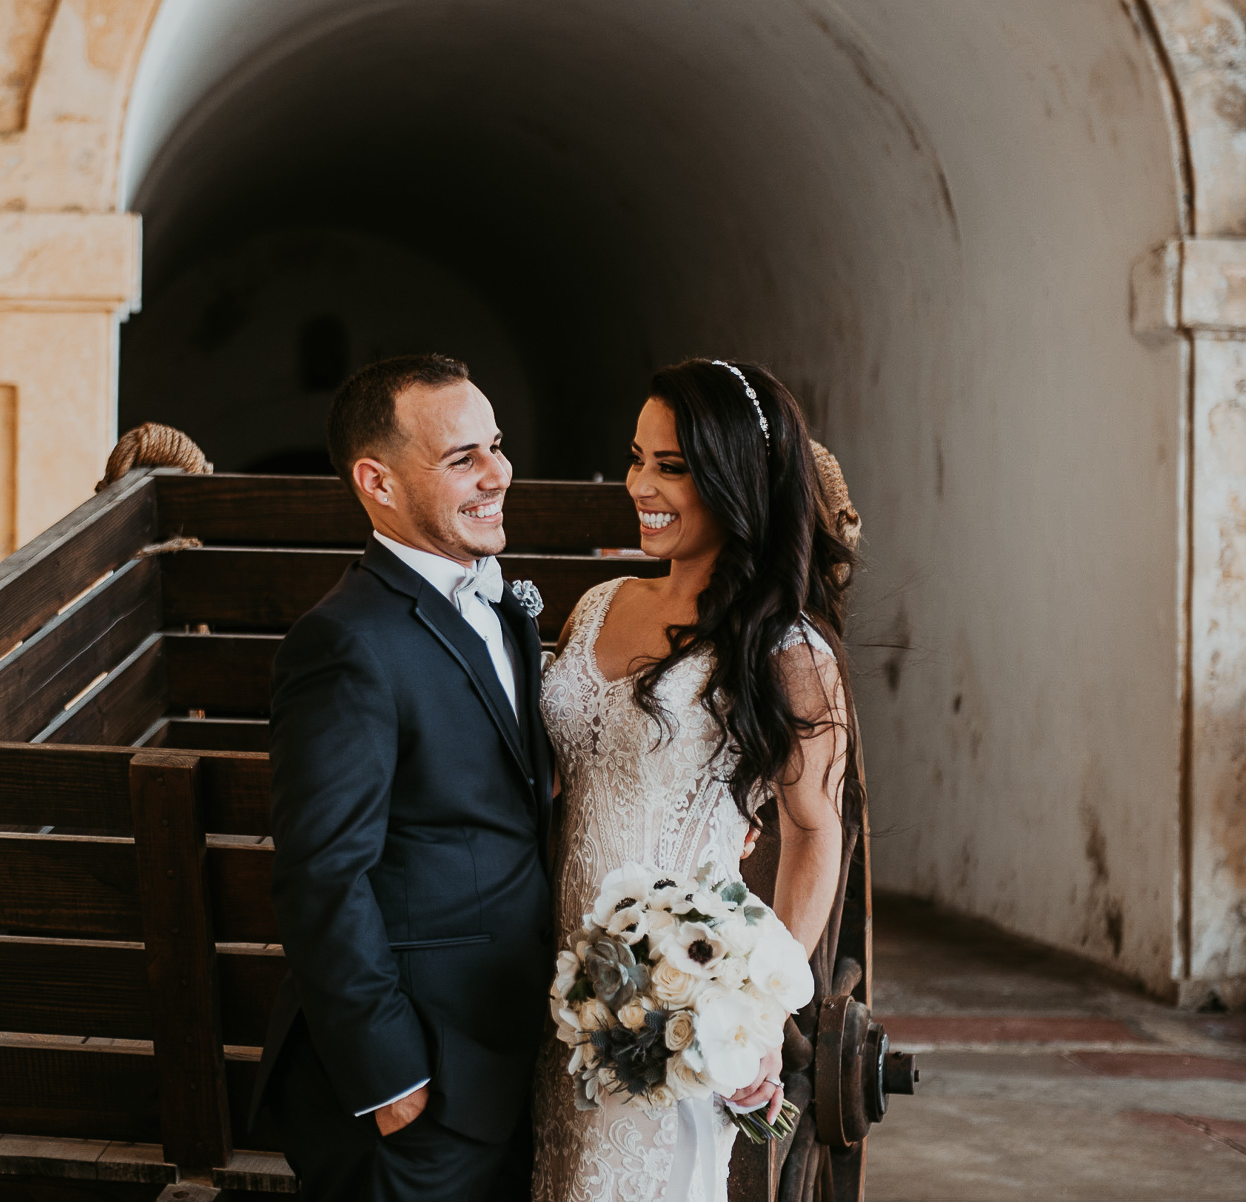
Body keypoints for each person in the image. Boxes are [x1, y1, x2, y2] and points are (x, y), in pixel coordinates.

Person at [531, 359, 856, 1201]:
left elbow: (817, 828)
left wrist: (755, 1011)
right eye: (636, 458)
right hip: (558, 990)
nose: (641, 484)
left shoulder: (785, 649)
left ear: (734, 477)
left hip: (672, 1006)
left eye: (671, 467)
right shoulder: (599, 604)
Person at [252, 353, 554, 1202]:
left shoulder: (501, 607)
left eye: (495, 446)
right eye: (463, 458)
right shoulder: (346, 643)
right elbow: (320, 874)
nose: (497, 472)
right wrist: (391, 1082)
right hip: (418, 1079)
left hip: (506, 1058)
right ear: (376, 481)